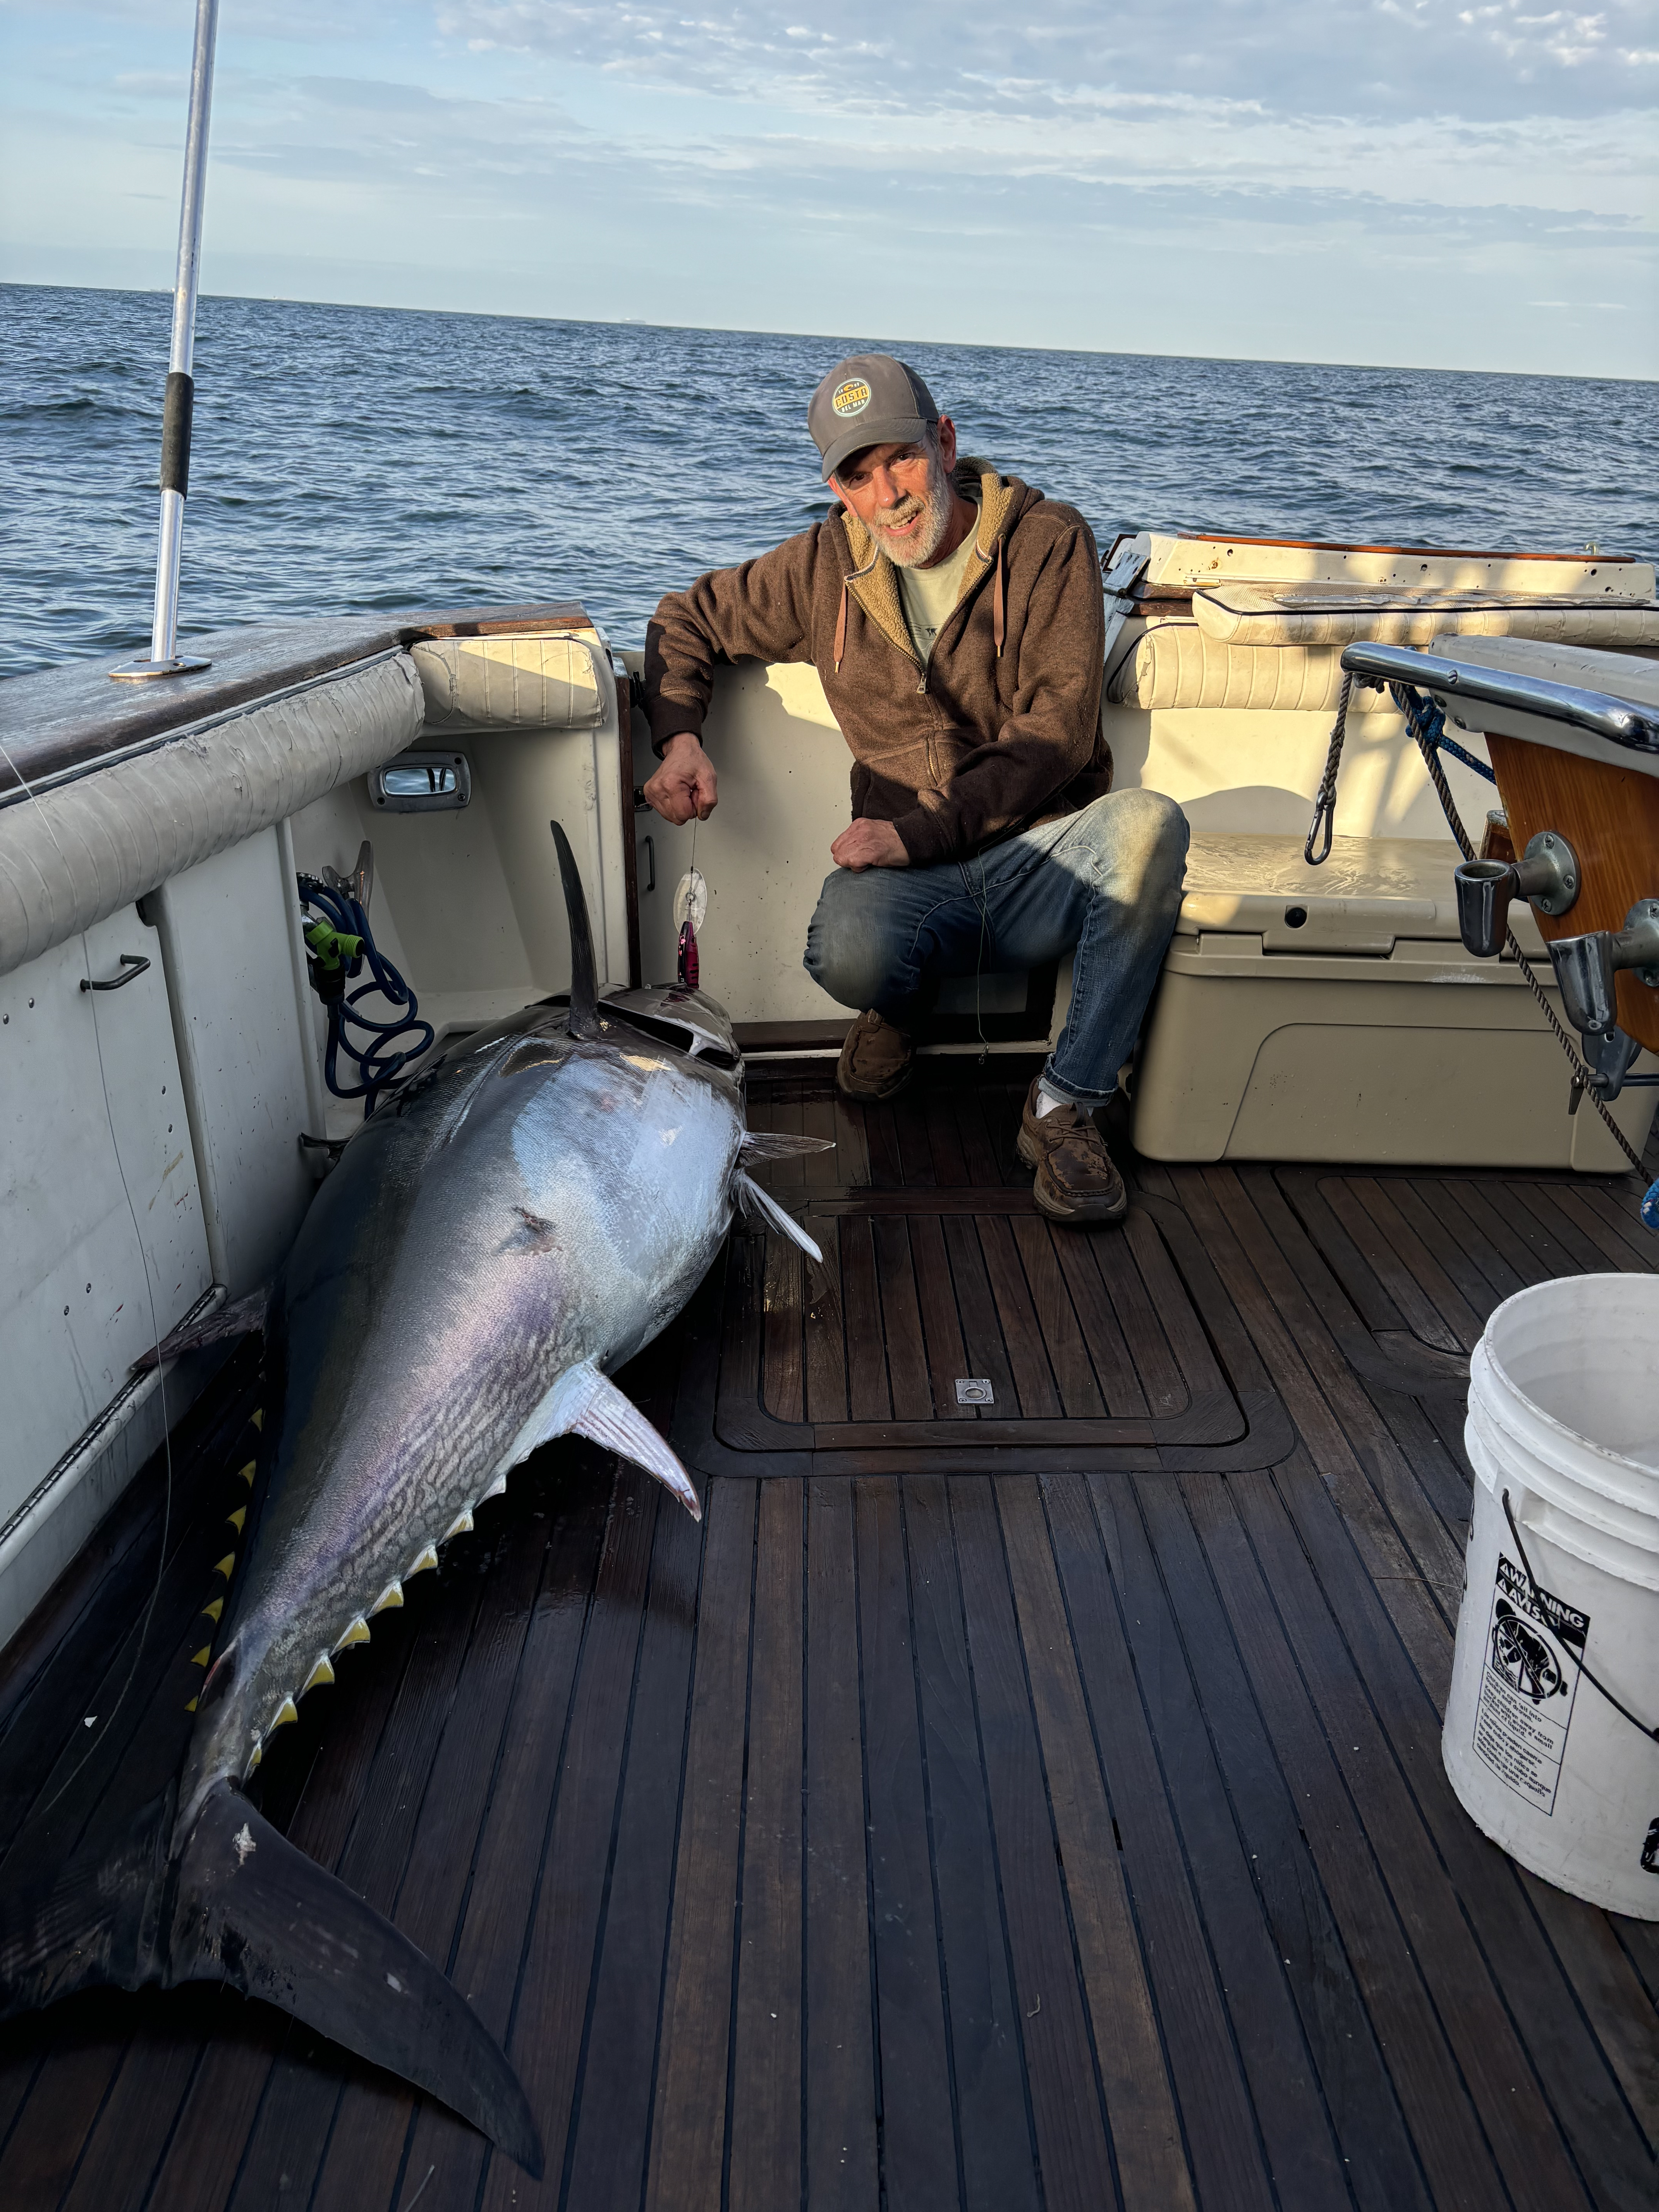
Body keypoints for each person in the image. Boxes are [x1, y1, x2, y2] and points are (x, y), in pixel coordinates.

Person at [641, 351, 1188, 1224]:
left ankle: (1065, 1106)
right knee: (845, 946)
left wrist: (918, 832)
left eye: (898, 457)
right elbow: (686, 617)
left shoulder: (1049, 543)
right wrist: (679, 741)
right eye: (857, 475)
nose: (887, 493)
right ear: (838, 488)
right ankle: (898, 1006)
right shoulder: (826, 566)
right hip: (912, 880)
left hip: (1035, 860)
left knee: (1151, 827)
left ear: (942, 440)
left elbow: (1056, 736)